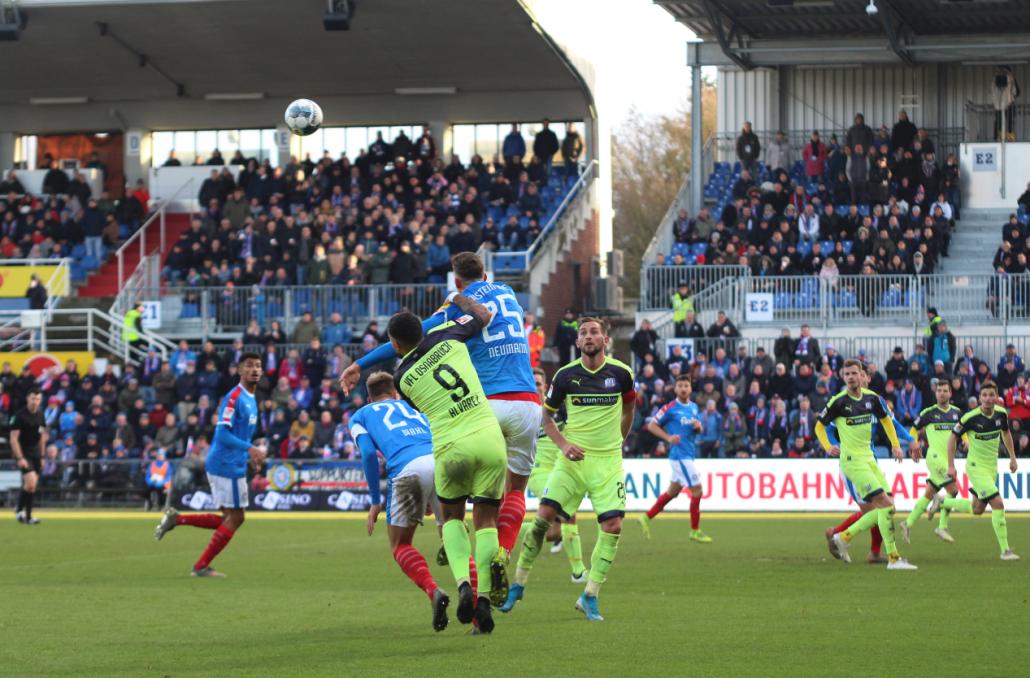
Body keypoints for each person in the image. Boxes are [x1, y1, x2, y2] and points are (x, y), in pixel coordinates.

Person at [343, 253, 540, 568]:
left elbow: (413, 335)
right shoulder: (507, 292)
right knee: (514, 489)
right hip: (528, 400)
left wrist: (358, 363)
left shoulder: (455, 306)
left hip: (486, 404)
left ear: (457, 281)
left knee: (459, 499)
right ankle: (502, 553)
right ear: (486, 275)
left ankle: (456, 543)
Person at [502, 318, 634, 622]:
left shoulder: (622, 374)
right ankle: (518, 584)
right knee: (543, 519)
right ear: (578, 343)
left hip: (607, 462)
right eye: (583, 333)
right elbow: (546, 419)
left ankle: (589, 596)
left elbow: (630, 409)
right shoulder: (564, 377)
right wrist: (562, 445)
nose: (589, 337)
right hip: (571, 462)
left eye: (594, 332)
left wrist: (619, 441)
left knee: (613, 526)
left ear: (605, 339)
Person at [387, 296, 506, 633]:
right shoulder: (447, 334)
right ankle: (483, 598)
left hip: (451, 447)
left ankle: (463, 585)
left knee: (453, 519)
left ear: (395, 343)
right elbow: (483, 314)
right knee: (486, 521)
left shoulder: (402, 378)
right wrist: (456, 298)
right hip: (489, 437)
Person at [352, 371, 451, 632]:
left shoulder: (361, 415)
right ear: (395, 393)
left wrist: (375, 501)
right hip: (441, 463)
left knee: (400, 545)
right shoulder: (413, 407)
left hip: (408, 468)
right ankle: (476, 604)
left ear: (368, 397)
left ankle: (433, 591)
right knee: (453, 538)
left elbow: (368, 456)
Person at [153, 353, 267, 577]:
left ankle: (178, 519)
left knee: (228, 518)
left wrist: (249, 456)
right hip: (225, 464)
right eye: (249, 366)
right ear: (239, 371)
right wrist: (250, 449)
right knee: (236, 518)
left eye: (258, 366)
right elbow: (222, 435)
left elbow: (239, 435)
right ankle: (200, 566)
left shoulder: (252, 399)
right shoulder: (234, 397)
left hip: (232, 463)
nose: (255, 370)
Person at [816, 359, 917, 570]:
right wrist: (829, 446)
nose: (852, 377)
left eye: (856, 373)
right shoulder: (839, 402)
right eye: (848, 374)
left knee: (888, 507)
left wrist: (897, 445)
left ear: (864, 375)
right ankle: (890, 557)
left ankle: (843, 537)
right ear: (844, 377)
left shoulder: (873, 399)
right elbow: (820, 427)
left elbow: (889, 422)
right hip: (852, 461)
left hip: (870, 459)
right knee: (880, 505)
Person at [933, 381, 1020, 560]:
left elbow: (1006, 434)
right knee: (998, 503)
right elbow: (952, 439)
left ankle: (942, 502)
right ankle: (1005, 551)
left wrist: (1012, 457)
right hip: (975, 467)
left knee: (978, 508)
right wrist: (951, 465)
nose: (988, 399)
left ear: (996, 397)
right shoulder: (969, 418)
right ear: (980, 397)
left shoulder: (1001, 414)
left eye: (991, 395)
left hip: (991, 468)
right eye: (985, 395)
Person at [518, 368, 586, 585]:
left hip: (559, 469)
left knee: (550, 531)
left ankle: (515, 528)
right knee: (568, 515)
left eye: (539, 383)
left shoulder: (557, 409)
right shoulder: (522, 412)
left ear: (545, 387)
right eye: (533, 383)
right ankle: (578, 572)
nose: (536, 386)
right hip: (537, 471)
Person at [638, 375, 711, 543]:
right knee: (697, 490)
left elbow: (696, 429)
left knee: (673, 491)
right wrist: (668, 437)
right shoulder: (669, 408)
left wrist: (698, 428)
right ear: (675, 389)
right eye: (680, 385)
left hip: (689, 454)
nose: (684, 388)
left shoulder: (693, 408)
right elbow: (651, 425)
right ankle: (695, 530)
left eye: (686, 385)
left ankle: (646, 517)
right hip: (680, 456)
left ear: (690, 389)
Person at [900, 380, 963, 544]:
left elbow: (964, 431)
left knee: (928, 494)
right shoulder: (928, 413)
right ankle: (942, 525)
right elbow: (912, 430)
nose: (942, 393)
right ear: (936, 394)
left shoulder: (957, 413)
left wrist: (967, 440)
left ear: (950, 393)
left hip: (948, 458)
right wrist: (914, 447)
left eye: (945, 390)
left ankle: (907, 523)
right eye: (939, 390)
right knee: (953, 490)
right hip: (935, 457)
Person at [11, 389, 46, 524]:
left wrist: (42, 456)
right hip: (24, 452)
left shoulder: (41, 415)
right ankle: (26, 514)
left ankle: (22, 511)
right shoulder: (19, 416)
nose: (35, 402)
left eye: (37, 399)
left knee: (31, 486)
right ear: (27, 399)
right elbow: (14, 439)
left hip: (36, 453)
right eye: (33, 398)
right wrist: (20, 458)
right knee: (30, 482)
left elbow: (42, 437)